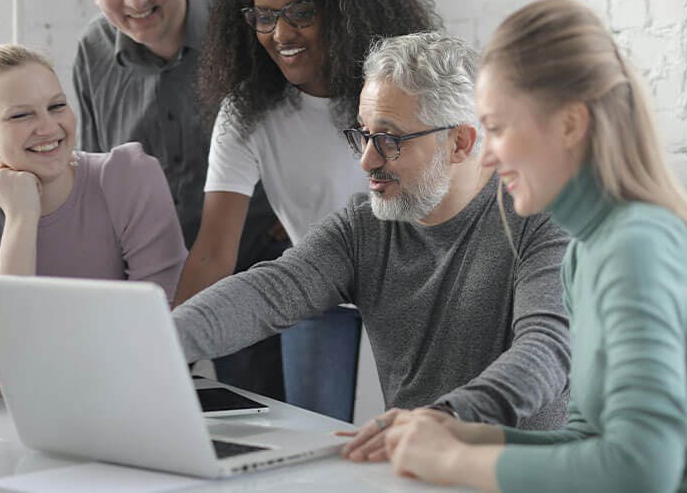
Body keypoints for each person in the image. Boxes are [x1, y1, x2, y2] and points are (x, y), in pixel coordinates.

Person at [379, 0, 687, 493]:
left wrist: (451, 462)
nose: (486, 155)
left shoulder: (639, 244)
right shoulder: (584, 253)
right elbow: (588, 438)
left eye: (497, 128)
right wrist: (469, 436)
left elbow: (642, 469)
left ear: (571, 124)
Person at [172, 31, 571, 429]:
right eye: (364, 134)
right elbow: (268, 292)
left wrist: (446, 418)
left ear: (459, 143)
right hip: (417, 467)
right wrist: (155, 339)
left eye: (389, 139)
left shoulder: (543, 220)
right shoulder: (364, 227)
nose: (366, 160)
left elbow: (546, 350)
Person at [173, 0, 444, 422]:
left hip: (414, 295)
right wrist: (162, 355)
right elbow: (213, 252)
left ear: (344, 11)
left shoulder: (397, 92)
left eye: (301, 12)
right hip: (316, 298)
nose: (281, 33)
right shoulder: (247, 113)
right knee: (321, 442)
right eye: (265, 15)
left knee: (411, 443)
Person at [71, 0, 285, 399]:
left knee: (271, 439)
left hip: (256, 288)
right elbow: (99, 185)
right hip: (145, 297)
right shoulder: (91, 55)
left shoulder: (250, 36)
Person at [0, 45, 186, 396]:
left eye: (57, 106)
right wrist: (21, 219)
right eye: (21, 116)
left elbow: (157, 336)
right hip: (8, 424)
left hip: (128, 400)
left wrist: (29, 362)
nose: (48, 126)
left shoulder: (129, 178)